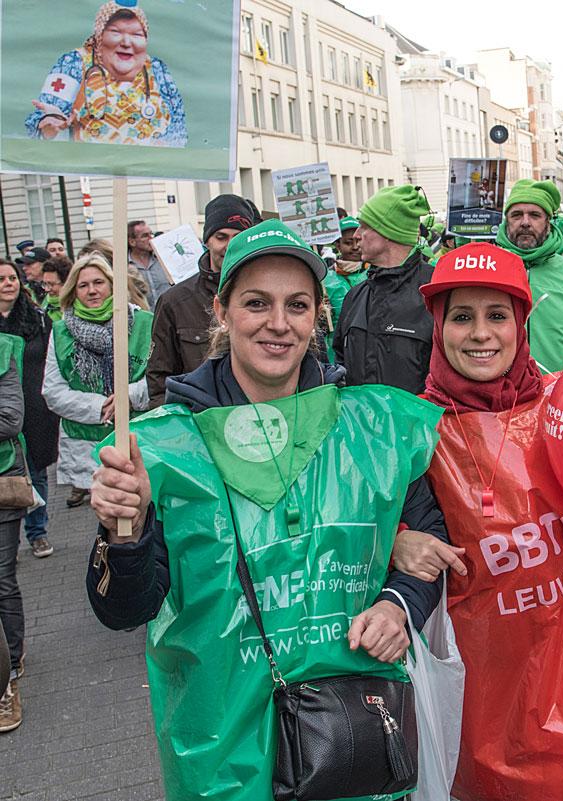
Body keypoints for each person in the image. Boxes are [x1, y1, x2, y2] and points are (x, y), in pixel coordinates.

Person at [85, 219, 448, 801]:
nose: (279, 324)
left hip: (350, 737)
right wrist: (121, 533)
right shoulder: (160, 449)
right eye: (257, 303)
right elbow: (125, 610)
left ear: (316, 316)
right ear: (223, 311)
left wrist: (397, 604)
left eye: (297, 305)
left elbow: (431, 539)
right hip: (220, 748)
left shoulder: (372, 428)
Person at [391, 242, 563, 801]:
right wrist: (397, 545)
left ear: (522, 324)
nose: (480, 334)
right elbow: (366, 528)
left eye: (497, 316)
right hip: (478, 688)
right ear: (438, 326)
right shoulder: (409, 430)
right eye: (462, 317)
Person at [43, 254, 152, 508]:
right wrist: (102, 406)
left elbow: (161, 377)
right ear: (73, 291)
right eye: (83, 285)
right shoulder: (60, 332)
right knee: (106, 511)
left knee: (144, 509)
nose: (92, 291)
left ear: (112, 284)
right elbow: (53, 391)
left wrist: (129, 396)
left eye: (98, 282)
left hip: (140, 436)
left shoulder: (143, 322)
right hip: (85, 442)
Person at [147, 195, 259, 407]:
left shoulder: (269, 294)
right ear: (207, 240)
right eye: (221, 236)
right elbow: (160, 380)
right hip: (199, 422)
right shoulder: (175, 302)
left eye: (239, 236)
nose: (230, 245)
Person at [26, 0, 186, 147]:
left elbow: (178, 126)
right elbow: (50, 114)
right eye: (116, 32)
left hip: (147, 170)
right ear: (100, 35)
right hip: (92, 169)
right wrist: (51, 125)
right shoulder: (74, 62)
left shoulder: (157, 69)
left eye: (136, 35)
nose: (126, 43)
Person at [333, 185, 436, 394]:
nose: (356, 235)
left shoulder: (435, 291)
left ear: (388, 231)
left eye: (364, 226)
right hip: (359, 424)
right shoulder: (356, 295)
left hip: (419, 425)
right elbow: (341, 364)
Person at [496, 179, 563, 372]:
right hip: (497, 398)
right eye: (516, 215)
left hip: (559, 396)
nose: (525, 222)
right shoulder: (487, 270)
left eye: (535, 215)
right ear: (506, 221)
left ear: (548, 222)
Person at [0, 261, 58, 558]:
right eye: (1, 279)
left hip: (35, 407)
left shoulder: (37, 318)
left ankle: (38, 532)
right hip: (4, 411)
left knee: (36, 472)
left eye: (12, 277)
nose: (8, 283)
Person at [0, 331, 27, 732]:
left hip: (3, 478)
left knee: (1, 578)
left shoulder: (4, 349)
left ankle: (8, 678)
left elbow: (10, 418)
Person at [127, 220, 171, 308]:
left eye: (151, 234)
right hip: (144, 319)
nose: (151, 239)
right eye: (145, 236)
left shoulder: (164, 260)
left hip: (169, 317)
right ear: (132, 242)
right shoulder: (126, 268)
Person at [39, 256, 70, 321]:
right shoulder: (45, 304)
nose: (46, 289)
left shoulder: (77, 309)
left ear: (66, 283)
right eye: (45, 284)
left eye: (51, 284)